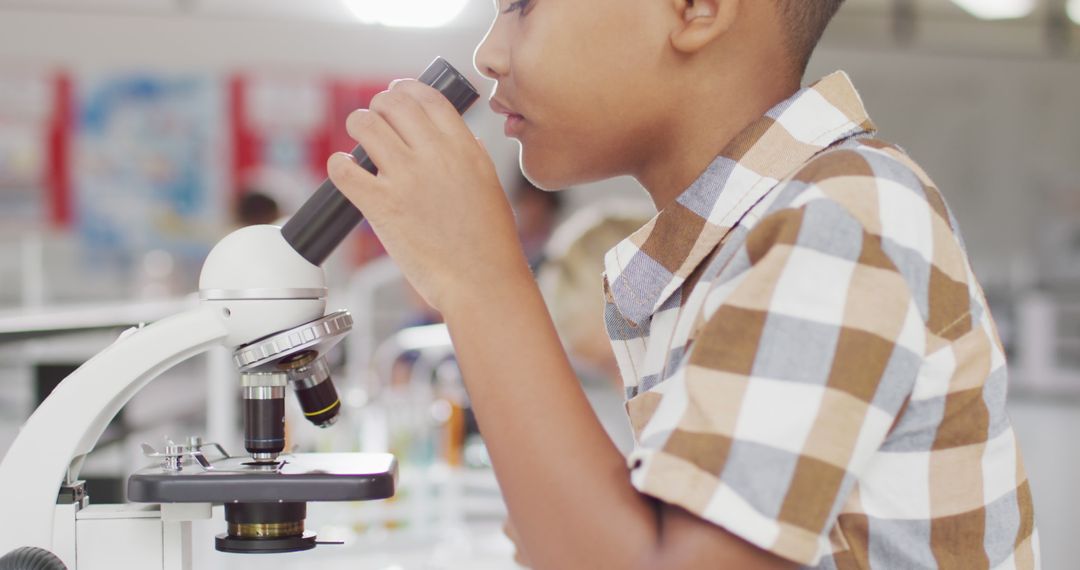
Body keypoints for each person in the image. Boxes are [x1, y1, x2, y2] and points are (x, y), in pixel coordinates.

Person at [326, 0, 1039, 568]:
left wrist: (479, 275)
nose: (489, 52)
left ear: (696, 7)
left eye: (523, 3)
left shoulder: (844, 215)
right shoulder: (732, 250)